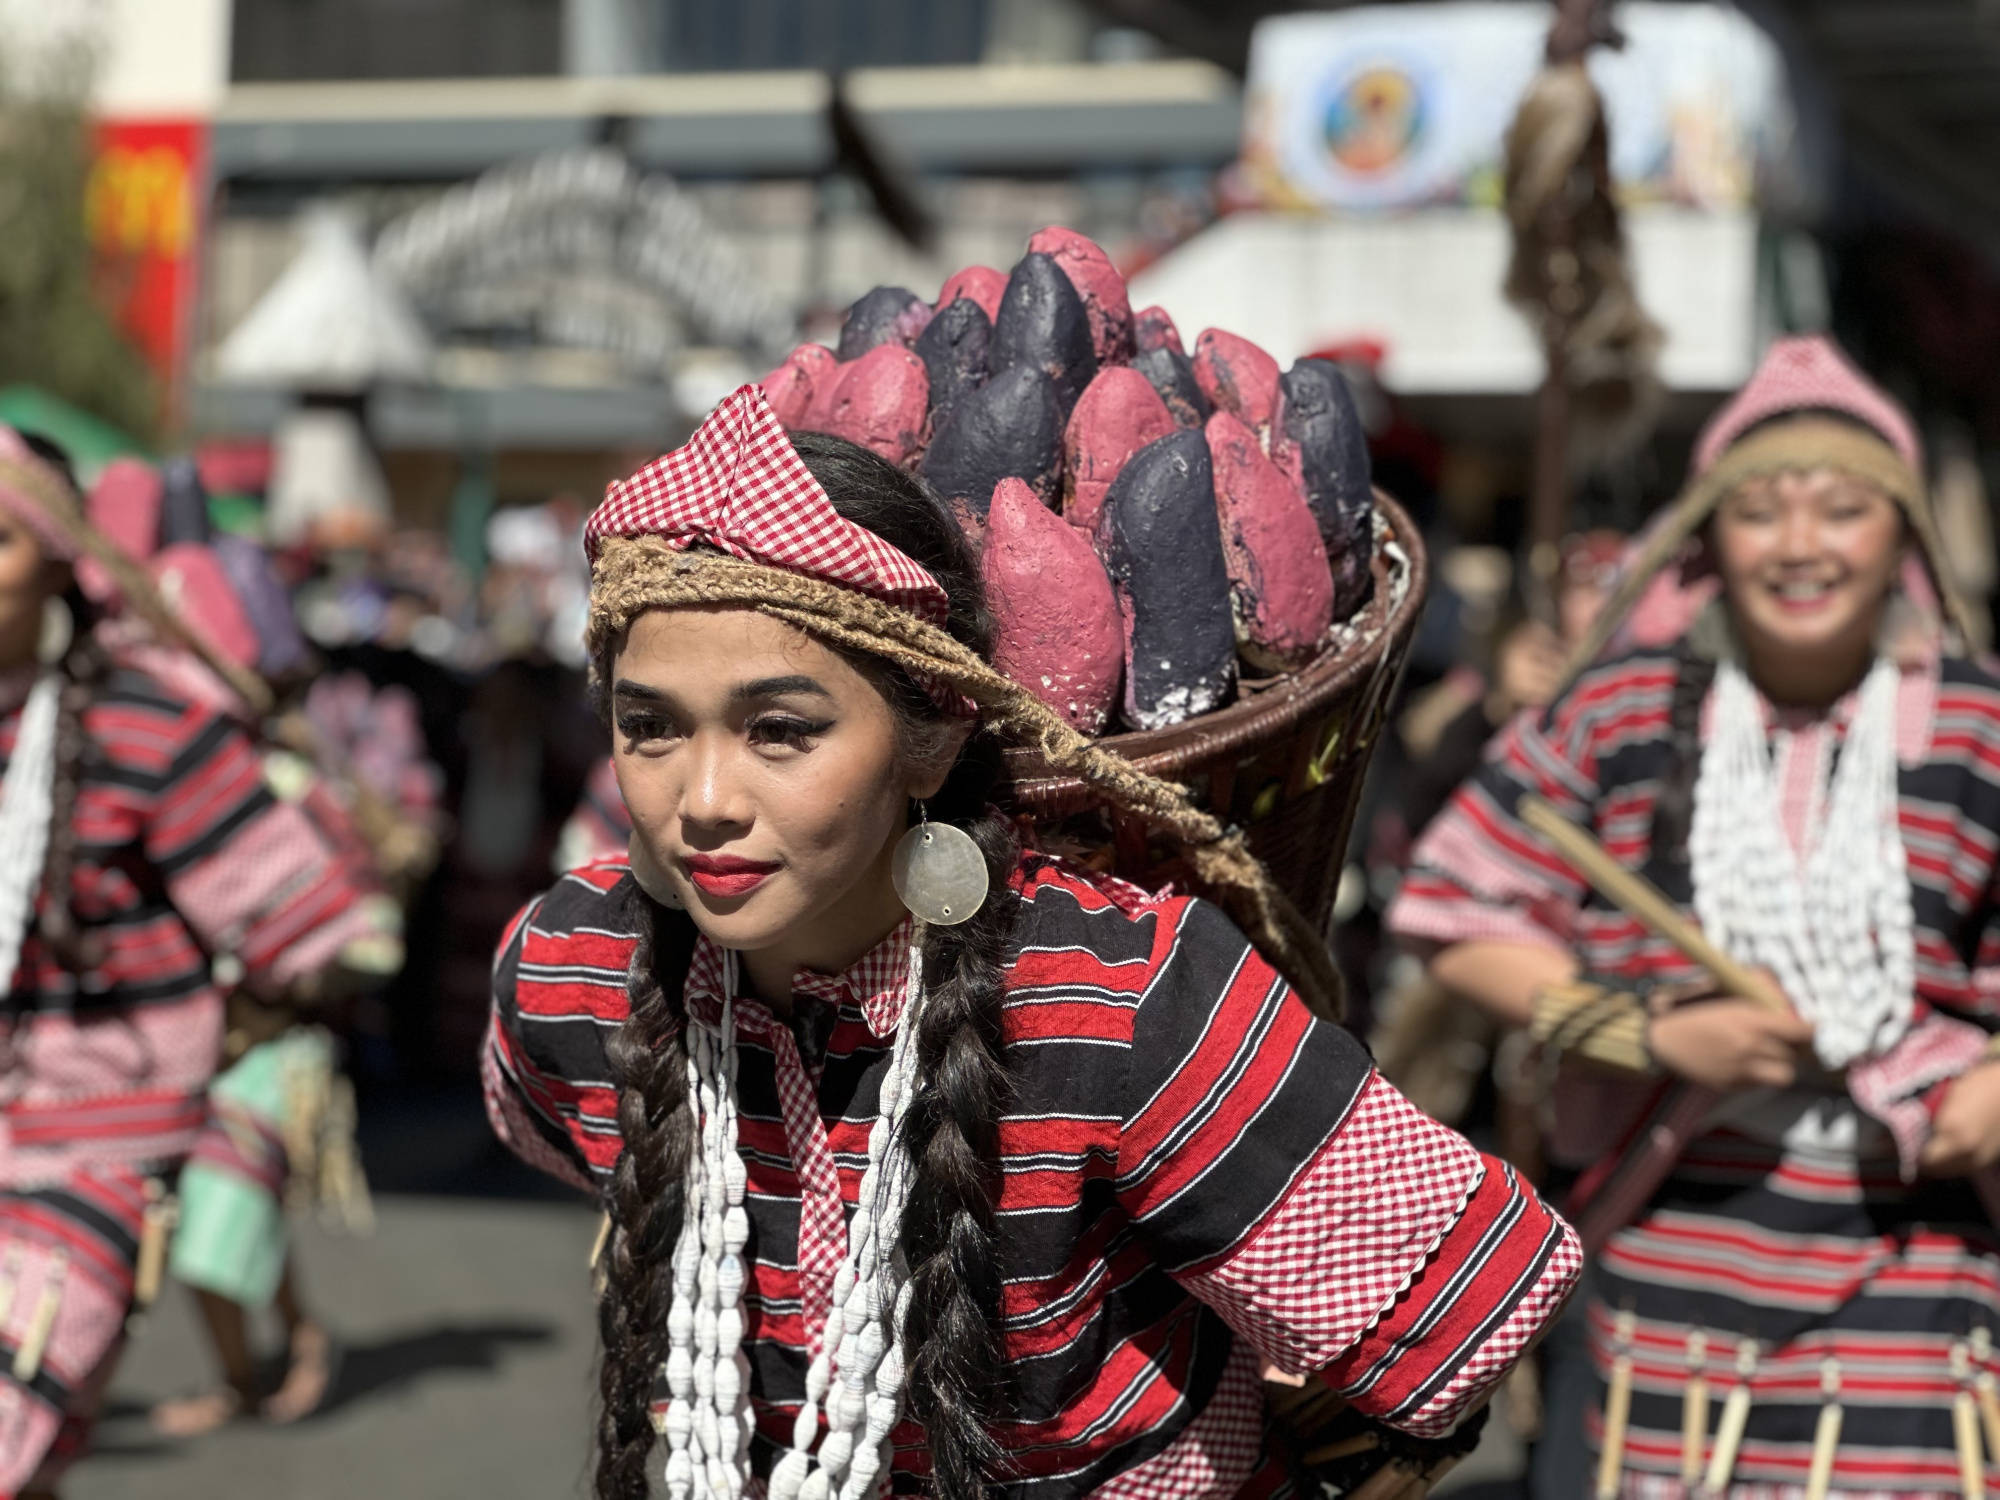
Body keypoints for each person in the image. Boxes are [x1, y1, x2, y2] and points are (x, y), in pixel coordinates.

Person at [482, 387, 1581, 1499]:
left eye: (781, 730)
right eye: (649, 725)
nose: (702, 798)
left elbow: (1454, 1313)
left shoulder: (1116, 993)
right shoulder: (572, 966)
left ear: (933, 737)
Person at [1389, 336, 2000, 1493]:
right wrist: (1656, 1036)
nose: (1802, 546)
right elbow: (1452, 901)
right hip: (1665, 1240)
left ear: (1901, 535)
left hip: (1918, 1259)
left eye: (1841, 509)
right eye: (1762, 512)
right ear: (1708, 538)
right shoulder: (1623, 709)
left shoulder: (1976, 726)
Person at [0, 433, 382, 1498]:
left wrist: (306, 975)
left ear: (56, 560)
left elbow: (306, 929)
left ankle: (281, 1349)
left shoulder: (148, 722)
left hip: (95, 1131)